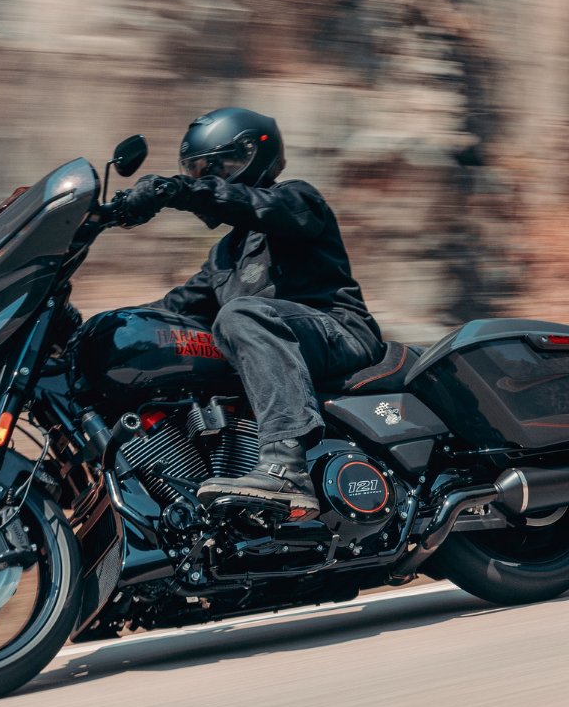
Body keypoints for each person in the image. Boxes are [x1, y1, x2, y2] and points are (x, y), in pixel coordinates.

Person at [92, 107, 383, 509]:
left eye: (215, 168)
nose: (206, 180)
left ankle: (285, 470)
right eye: (197, 172)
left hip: (340, 332)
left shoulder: (297, 199)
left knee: (240, 314)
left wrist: (172, 190)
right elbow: (172, 310)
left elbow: (257, 206)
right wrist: (94, 333)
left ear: (252, 155)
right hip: (279, 343)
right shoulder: (223, 256)